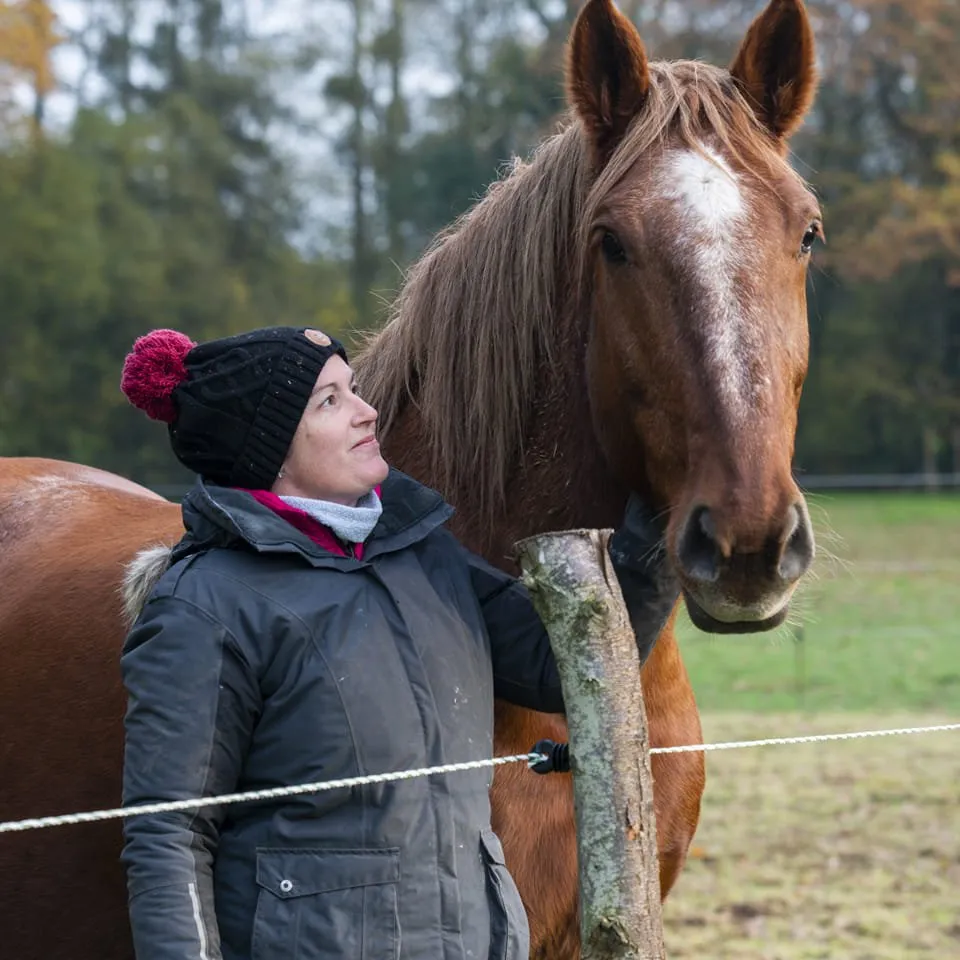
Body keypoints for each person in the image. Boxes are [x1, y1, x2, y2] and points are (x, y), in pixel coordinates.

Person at [118, 324, 678, 960]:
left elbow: (559, 666)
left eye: (353, 389)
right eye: (330, 401)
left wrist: (660, 510)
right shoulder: (205, 604)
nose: (367, 412)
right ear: (266, 448)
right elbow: (169, 836)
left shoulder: (424, 553)